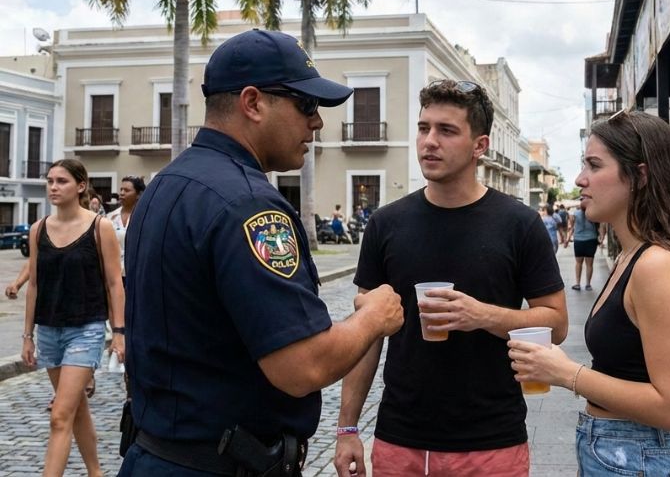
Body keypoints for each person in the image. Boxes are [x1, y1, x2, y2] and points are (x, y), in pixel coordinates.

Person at [118, 29, 403, 476]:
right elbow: (301, 365)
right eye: (306, 105)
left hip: (155, 454)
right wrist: (375, 316)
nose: (317, 122)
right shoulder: (250, 204)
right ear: (253, 103)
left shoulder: (163, 186)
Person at [333, 79, 568, 477]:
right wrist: (347, 427)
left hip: (492, 442)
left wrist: (482, 316)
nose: (429, 142)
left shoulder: (519, 224)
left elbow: (556, 323)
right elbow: (367, 334)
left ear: (480, 145)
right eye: (424, 128)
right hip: (399, 440)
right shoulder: (385, 224)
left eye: (446, 131)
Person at [508, 111, 670, 477]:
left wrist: (567, 373)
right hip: (621, 453)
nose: (580, 180)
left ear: (640, 176)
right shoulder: (634, 255)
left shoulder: (657, 265)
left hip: (641, 457)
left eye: (594, 166)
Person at [21, 159, 126, 477]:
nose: (53, 187)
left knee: (59, 415)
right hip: (50, 330)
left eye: (62, 181)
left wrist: (118, 331)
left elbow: (113, 283)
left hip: (86, 330)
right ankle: (96, 472)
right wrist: (27, 336)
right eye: (50, 181)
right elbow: (35, 284)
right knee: (76, 407)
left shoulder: (99, 227)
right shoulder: (38, 229)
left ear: (81, 186)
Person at [106, 175, 146, 287]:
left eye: (127, 190)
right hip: (114, 274)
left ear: (138, 194)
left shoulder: (144, 217)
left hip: (136, 274)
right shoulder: (111, 217)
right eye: (121, 190)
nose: (122, 193)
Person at [564, 199, 604, 291]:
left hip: (579, 240)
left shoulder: (575, 214)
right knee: (589, 264)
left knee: (578, 263)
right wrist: (601, 238)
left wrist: (568, 239)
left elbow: (572, 228)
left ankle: (578, 284)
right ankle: (588, 284)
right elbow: (600, 226)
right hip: (591, 239)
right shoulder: (593, 213)